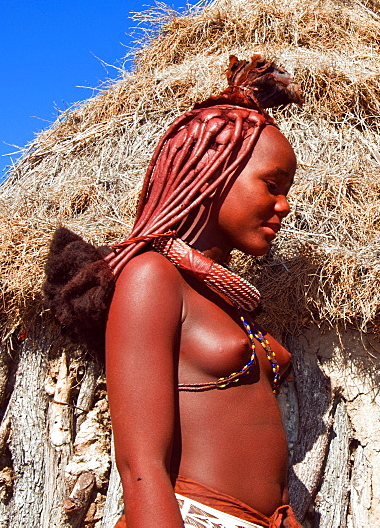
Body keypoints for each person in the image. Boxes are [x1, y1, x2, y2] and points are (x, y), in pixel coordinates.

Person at [43, 55, 304, 528]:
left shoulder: (224, 296)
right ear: (212, 176)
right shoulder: (152, 278)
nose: (283, 205)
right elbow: (141, 467)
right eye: (272, 185)